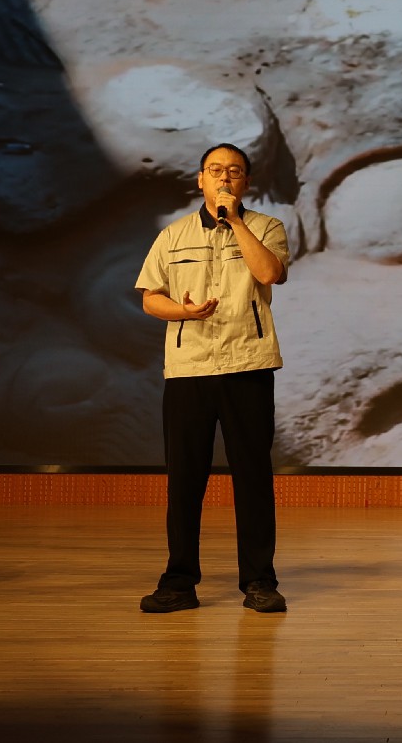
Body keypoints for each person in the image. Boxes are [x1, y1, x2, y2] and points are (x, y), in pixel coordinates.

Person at [134, 143, 290, 614]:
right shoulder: (173, 235)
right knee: (184, 480)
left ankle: (259, 582)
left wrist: (235, 221)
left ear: (246, 182)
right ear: (199, 179)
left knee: (253, 478)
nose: (224, 178)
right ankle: (179, 582)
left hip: (248, 364)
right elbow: (150, 298)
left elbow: (270, 273)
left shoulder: (265, 227)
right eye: (215, 170)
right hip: (190, 368)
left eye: (234, 171)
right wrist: (183, 312)